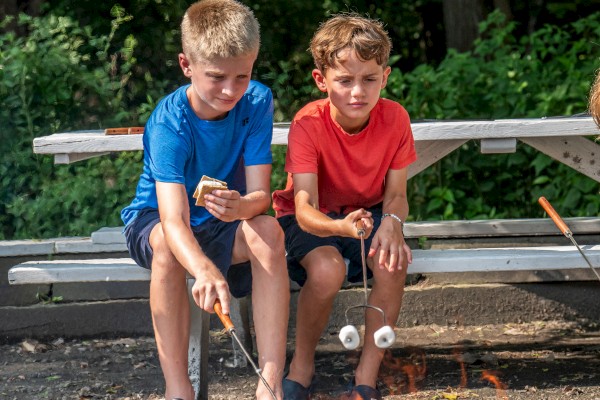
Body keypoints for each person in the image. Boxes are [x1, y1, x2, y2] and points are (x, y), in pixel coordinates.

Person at [120, 1, 289, 399]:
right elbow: (173, 220)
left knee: (268, 231)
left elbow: (260, 198)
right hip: (159, 221)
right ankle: (179, 388)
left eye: (242, 76)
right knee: (164, 241)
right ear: (186, 65)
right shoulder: (169, 122)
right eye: (216, 77)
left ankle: (270, 382)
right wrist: (203, 269)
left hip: (221, 222)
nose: (231, 90)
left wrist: (242, 207)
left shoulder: (257, 101)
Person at [272, 13, 417, 400]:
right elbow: (303, 207)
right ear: (322, 81)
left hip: (368, 213)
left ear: (384, 77)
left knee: (391, 260)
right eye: (345, 80)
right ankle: (301, 366)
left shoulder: (396, 118)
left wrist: (391, 222)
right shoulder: (308, 123)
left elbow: (397, 193)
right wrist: (339, 229)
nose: (358, 92)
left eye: (369, 79)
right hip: (311, 219)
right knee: (326, 269)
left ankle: (366, 377)